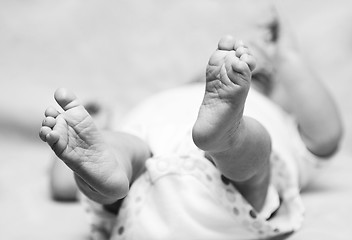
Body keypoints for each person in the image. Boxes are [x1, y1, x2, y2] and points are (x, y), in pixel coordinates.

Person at [39, 14, 343, 240]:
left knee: (256, 147)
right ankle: (114, 171)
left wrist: (290, 60)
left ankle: (229, 136)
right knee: (123, 145)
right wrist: (95, 134)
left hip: (231, 197)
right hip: (143, 181)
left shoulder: (284, 122)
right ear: (195, 83)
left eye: (261, 78)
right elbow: (65, 183)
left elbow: (326, 133)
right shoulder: (166, 103)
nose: (246, 68)